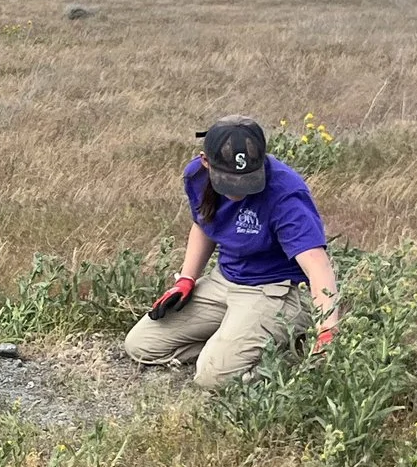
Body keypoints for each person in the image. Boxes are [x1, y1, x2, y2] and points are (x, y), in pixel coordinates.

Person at [123, 116, 341, 390]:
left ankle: (287, 351)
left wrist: (327, 329)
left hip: (275, 290)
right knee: (141, 345)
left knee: (212, 378)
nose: (238, 188)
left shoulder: (286, 193)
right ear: (206, 162)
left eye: (247, 179)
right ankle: (233, 345)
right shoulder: (197, 176)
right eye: (229, 180)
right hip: (224, 281)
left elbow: (317, 266)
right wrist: (186, 279)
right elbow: (204, 223)